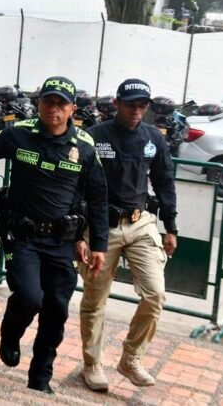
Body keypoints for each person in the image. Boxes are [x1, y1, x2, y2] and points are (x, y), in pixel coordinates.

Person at [0, 76, 108, 394]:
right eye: (48, 101)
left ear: (72, 109)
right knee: (29, 297)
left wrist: (97, 244)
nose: (54, 108)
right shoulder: (20, 133)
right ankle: (10, 336)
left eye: (61, 104)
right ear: (39, 103)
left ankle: (40, 378)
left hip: (61, 241)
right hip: (22, 235)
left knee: (56, 309)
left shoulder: (84, 146)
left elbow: (97, 198)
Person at [78, 78, 178, 392]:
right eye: (131, 105)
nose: (136, 111)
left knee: (155, 294)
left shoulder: (154, 138)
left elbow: (164, 182)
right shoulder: (94, 136)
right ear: (117, 103)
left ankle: (131, 358)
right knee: (95, 299)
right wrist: (78, 235)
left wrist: (171, 226)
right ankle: (92, 364)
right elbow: (75, 185)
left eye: (142, 106)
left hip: (140, 223)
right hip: (100, 226)